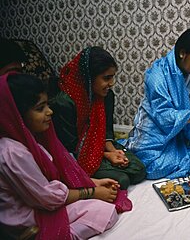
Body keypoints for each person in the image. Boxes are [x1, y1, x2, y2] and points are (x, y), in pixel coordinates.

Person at [0, 73, 132, 239]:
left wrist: (91, 181)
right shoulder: (13, 152)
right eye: (40, 108)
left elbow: (58, 169)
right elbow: (48, 196)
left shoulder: (32, 137)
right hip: (32, 215)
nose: (50, 111)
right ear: (16, 114)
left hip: (48, 197)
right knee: (106, 212)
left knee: (123, 182)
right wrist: (91, 191)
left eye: (47, 104)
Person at [123, 28, 190, 179]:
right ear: (182, 53)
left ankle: (179, 157)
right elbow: (163, 116)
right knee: (153, 164)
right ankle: (178, 158)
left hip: (180, 132)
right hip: (155, 133)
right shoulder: (157, 75)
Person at [51, 46, 146, 190]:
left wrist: (112, 151)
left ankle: (104, 167)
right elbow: (68, 149)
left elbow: (106, 131)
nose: (112, 83)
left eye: (113, 77)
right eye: (107, 78)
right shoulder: (64, 102)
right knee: (123, 180)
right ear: (88, 78)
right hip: (75, 157)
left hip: (98, 148)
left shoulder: (106, 96)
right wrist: (107, 155)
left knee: (139, 170)